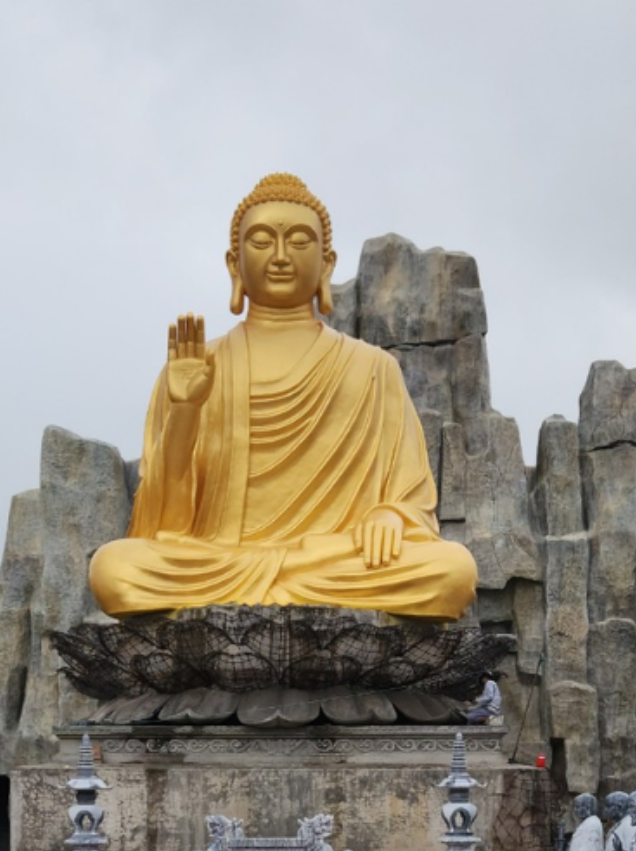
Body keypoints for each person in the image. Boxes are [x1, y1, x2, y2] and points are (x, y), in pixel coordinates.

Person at [85, 173, 478, 618]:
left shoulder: (373, 368)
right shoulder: (195, 365)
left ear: (326, 264)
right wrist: (185, 411)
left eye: (298, 241)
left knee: (453, 570)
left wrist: (391, 516)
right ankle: (289, 591)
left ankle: (268, 591)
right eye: (260, 241)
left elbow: (411, 500)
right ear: (234, 264)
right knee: (114, 569)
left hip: (330, 559)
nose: (279, 257)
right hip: (221, 561)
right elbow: (165, 528)